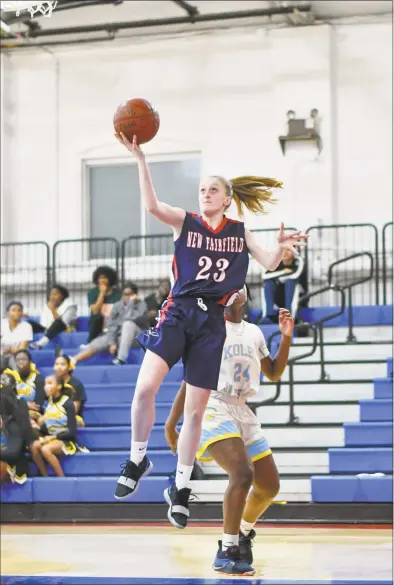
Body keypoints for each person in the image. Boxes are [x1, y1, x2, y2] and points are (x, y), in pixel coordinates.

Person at [113, 132, 308, 530]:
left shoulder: (239, 230)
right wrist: (140, 159)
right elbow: (151, 205)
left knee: (196, 413)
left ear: (226, 198)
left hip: (212, 322)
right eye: (201, 189)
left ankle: (181, 489)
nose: (204, 194)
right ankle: (137, 458)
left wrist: (282, 246)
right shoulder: (185, 222)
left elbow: (270, 263)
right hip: (179, 311)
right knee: (145, 389)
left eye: (212, 189)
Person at [165, 288, 294, 575]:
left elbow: (273, 372)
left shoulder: (254, 332)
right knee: (242, 473)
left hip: (241, 408)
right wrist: (171, 422)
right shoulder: (209, 329)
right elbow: (191, 380)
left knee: (270, 486)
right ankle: (228, 549)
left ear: (245, 296)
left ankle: (244, 533)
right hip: (213, 404)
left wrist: (286, 337)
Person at [71, 282, 148, 366]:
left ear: (135, 295)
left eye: (130, 294)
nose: (127, 296)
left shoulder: (142, 305)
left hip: (137, 338)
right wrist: (112, 343)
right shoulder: (117, 306)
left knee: (128, 324)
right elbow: (111, 325)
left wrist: (131, 304)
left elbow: (130, 319)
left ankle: (121, 359)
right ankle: (73, 360)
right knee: (103, 340)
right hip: (120, 338)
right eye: (125, 294)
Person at [30, 375, 77, 477]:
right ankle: (45, 476)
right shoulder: (49, 402)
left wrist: (53, 437)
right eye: (45, 384)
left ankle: (61, 478)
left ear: (59, 386)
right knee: (33, 446)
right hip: (52, 438)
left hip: (66, 439)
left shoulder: (67, 403)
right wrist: (38, 428)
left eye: (50, 383)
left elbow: (72, 432)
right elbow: (50, 424)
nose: (46, 387)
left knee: (45, 449)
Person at [29, 285, 77, 350]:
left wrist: (53, 310)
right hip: (49, 330)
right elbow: (43, 323)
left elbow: (63, 323)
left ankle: (41, 343)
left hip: (66, 330)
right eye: (51, 294)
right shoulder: (48, 306)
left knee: (58, 322)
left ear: (62, 296)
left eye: (55, 294)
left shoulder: (71, 306)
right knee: (29, 324)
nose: (52, 297)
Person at [3, 349, 46, 423]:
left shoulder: (39, 379)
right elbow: (8, 401)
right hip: (15, 413)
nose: (20, 362)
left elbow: (38, 405)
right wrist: (25, 404)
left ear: (30, 361)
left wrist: (17, 404)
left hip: (33, 415)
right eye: (17, 360)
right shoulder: (11, 379)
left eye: (24, 359)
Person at [263, 248, 305, 321]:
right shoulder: (276, 263)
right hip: (280, 297)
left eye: (288, 250)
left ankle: (288, 314)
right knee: (268, 284)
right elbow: (265, 276)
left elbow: (295, 275)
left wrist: (279, 278)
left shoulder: (299, 261)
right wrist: (284, 272)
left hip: (297, 298)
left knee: (290, 282)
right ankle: (269, 315)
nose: (285, 253)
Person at [86, 266, 121, 343]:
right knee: (96, 317)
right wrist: (102, 293)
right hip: (99, 322)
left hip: (113, 321)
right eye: (100, 278)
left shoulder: (118, 294)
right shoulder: (92, 293)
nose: (102, 280)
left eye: (105, 278)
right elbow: (95, 310)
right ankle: (90, 342)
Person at [54, 355, 87, 425]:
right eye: (57, 364)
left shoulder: (76, 385)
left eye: (62, 364)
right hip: (53, 415)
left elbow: (74, 410)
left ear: (69, 367)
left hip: (73, 417)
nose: (59, 367)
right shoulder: (52, 383)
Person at [1, 302, 33, 369]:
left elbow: (22, 349)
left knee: (16, 361)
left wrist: (9, 350)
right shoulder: (2, 324)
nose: (17, 313)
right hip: (1, 355)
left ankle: (19, 379)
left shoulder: (26, 326)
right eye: (13, 310)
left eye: (19, 310)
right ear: (8, 312)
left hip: (17, 357)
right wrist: (4, 351)